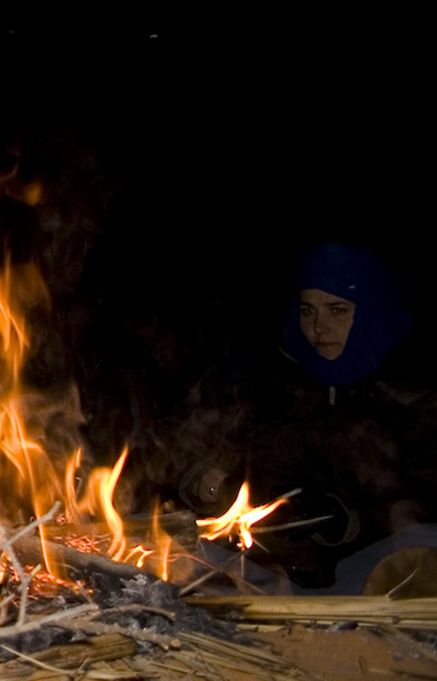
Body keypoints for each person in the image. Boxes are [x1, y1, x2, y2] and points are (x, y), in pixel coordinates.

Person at [178, 243, 436, 593]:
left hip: (364, 570)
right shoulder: (269, 373)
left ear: (372, 311)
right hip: (267, 567)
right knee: (172, 561)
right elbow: (184, 445)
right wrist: (203, 479)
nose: (319, 327)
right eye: (308, 310)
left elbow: (420, 501)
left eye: (337, 310)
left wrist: (344, 520)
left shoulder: (410, 394)